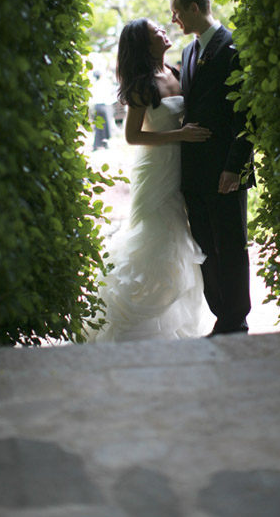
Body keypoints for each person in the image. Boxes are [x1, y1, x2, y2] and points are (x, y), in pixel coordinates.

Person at [88, 18, 212, 342]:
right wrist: (180, 134)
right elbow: (132, 136)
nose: (162, 32)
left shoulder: (175, 71)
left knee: (180, 238)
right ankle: (139, 324)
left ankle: (172, 316)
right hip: (155, 168)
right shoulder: (143, 84)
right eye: (154, 32)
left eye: (160, 27)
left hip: (181, 164)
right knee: (158, 235)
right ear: (145, 45)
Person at [169, 0, 255, 336]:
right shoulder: (188, 53)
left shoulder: (234, 46)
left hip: (224, 170)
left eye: (176, 13)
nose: (174, 21)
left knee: (231, 247)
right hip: (195, 174)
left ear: (192, 8)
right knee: (207, 250)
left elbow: (247, 113)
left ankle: (236, 321)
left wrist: (235, 166)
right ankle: (223, 314)